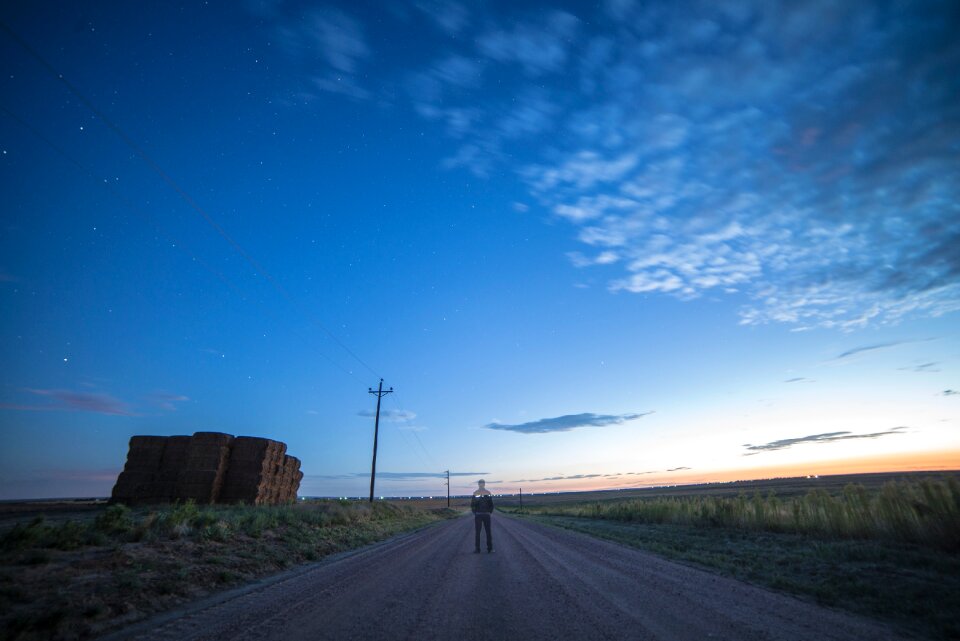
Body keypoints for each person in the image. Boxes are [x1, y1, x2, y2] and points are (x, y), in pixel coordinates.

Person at [471, 479, 494, 553]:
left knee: (483, 532)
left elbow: (491, 504)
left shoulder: (481, 493)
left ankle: (483, 549)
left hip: (482, 515)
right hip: (482, 515)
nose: (481, 484)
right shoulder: (479, 493)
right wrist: (489, 512)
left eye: (482, 483)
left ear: (483, 484)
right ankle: (484, 549)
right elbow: (472, 505)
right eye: (480, 483)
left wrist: (489, 512)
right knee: (483, 532)